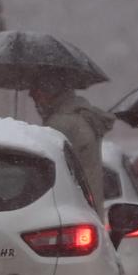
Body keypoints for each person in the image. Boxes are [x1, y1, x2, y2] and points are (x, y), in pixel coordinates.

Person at [28, 83, 114, 212]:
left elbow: (47, 171)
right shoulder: (82, 116)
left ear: (52, 93)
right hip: (90, 205)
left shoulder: (61, 123)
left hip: (67, 209)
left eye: (37, 95)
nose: (35, 102)